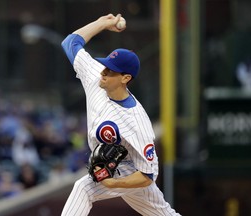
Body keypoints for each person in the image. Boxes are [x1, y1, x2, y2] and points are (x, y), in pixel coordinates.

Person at [60, 13, 181, 216]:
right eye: (106, 66)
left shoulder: (136, 121)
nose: (104, 72)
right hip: (114, 168)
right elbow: (71, 42)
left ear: (125, 78)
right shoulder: (96, 75)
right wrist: (101, 24)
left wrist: (114, 183)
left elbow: (147, 175)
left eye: (111, 71)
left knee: (84, 189)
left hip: (132, 172)